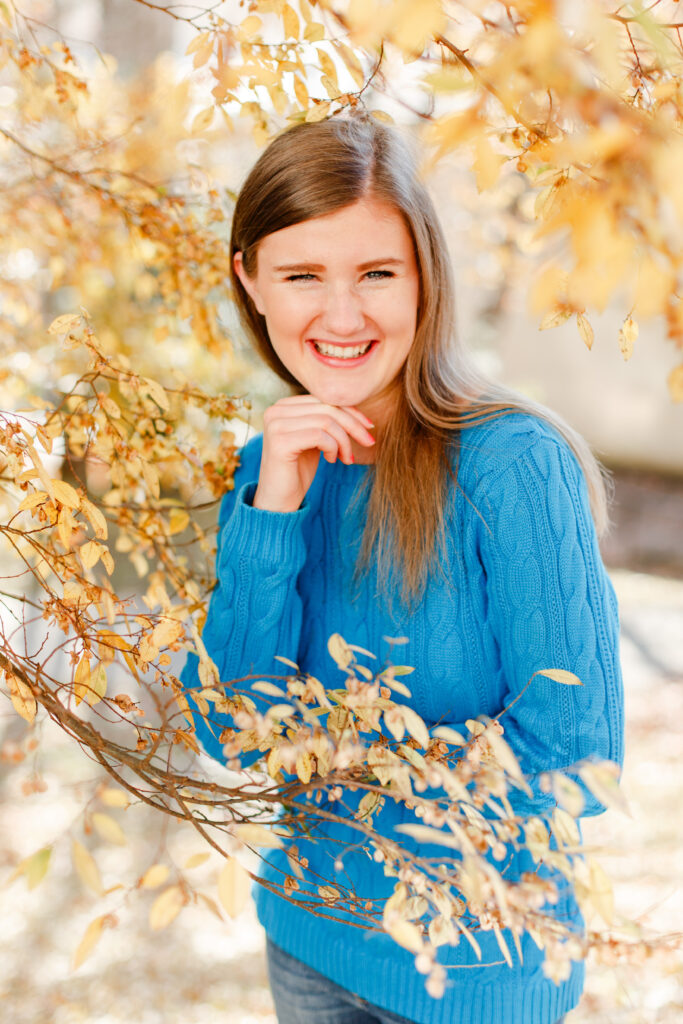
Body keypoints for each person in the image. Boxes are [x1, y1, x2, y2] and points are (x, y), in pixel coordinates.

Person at [179, 111, 624, 1024]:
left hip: (480, 974)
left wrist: (335, 767)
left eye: (376, 274)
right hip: (306, 939)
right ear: (250, 282)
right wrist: (271, 512)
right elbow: (230, 733)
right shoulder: (271, 465)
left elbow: (576, 753)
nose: (342, 316)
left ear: (424, 280)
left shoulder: (510, 463)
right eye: (302, 275)